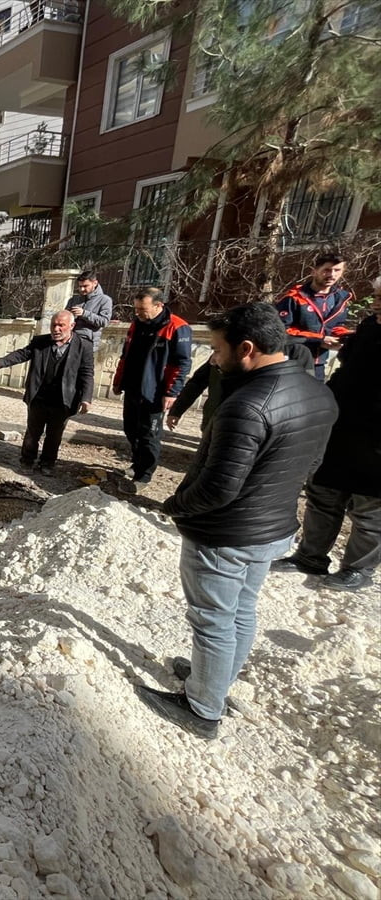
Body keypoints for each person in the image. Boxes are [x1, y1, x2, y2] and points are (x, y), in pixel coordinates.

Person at [137, 302, 337, 740]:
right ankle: (216, 677)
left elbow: (217, 488)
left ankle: (203, 707)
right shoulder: (318, 392)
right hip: (273, 528)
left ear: (246, 348)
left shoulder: (247, 405)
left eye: (218, 349)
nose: (213, 358)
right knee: (241, 611)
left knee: (212, 620)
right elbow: (313, 463)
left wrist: (173, 506)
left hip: (225, 535)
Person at [274, 282, 381, 591]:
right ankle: (310, 556)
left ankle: (358, 569)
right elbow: (347, 368)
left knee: (370, 508)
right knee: (323, 494)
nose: (375, 303)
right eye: (375, 296)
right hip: (342, 427)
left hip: (377, 442)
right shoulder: (368, 329)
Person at [0, 310, 94, 476]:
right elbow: (22, 354)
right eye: (53, 325)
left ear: (72, 326)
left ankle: (47, 463)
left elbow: (87, 373)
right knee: (33, 431)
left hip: (63, 399)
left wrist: (86, 398)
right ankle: (27, 460)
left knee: (54, 434)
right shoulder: (40, 342)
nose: (56, 329)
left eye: (61, 325)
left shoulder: (84, 346)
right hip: (39, 396)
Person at [111, 288, 192, 491]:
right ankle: (136, 464)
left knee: (149, 434)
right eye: (136, 309)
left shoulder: (177, 327)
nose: (138, 313)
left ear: (158, 306)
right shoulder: (137, 324)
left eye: (142, 309)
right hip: (133, 387)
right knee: (131, 429)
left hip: (155, 391)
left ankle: (144, 475)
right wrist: (118, 380)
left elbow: (181, 364)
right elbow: (125, 354)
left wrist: (172, 393)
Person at [166, 339, 315, 434]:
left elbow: (307, 393)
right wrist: (177, 410)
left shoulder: (296, 352)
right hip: (215, 422)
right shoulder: (226, 350)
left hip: (264, 429)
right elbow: (197, 382)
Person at [275, 251, 354, 381]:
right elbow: (280, 331)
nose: (332, 274)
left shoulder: (341, 298)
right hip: (293, 361)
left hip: (320, 363)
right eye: (327, 270)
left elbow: (335, 327)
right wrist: (319, 339)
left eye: (337, 270)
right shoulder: (294, 298)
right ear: (314, 271)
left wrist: (347, 335)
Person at [65, 271, 113, 347]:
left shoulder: (105, 300)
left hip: (88, 343)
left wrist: (84, 314)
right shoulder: (74, 299)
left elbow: (104, 322)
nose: (82, 289)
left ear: (95, 283)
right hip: (68, 341)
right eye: (80, 286)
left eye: (85, 286)